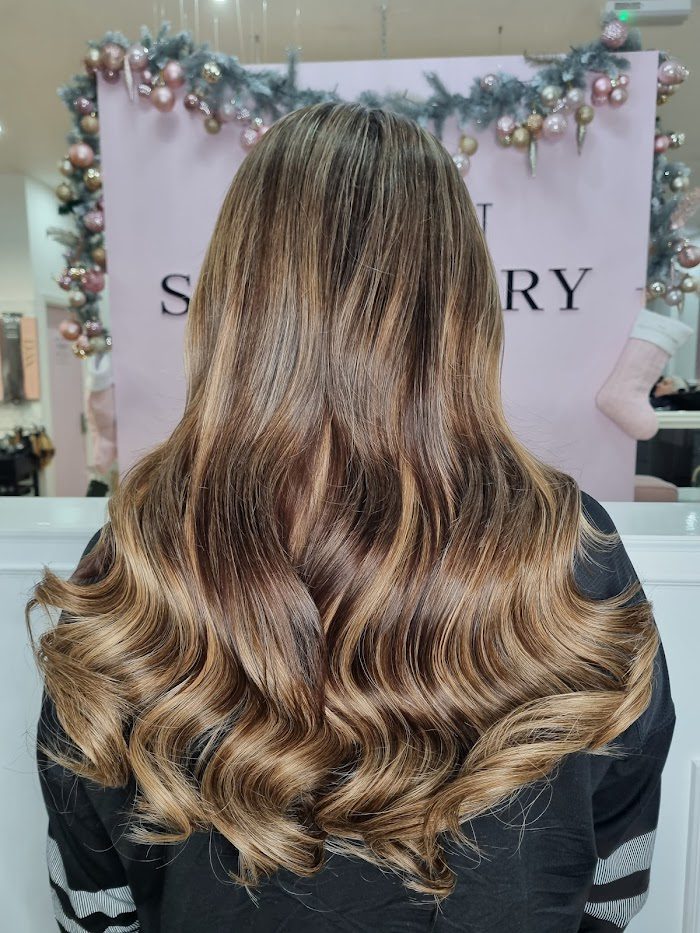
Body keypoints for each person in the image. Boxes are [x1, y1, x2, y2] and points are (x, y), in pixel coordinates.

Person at [28, 102, 674, 933]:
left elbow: (94, 900)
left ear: (233, 301)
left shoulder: (139, 556)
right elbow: (613, 876)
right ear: (463, 306)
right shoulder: (574, 551)